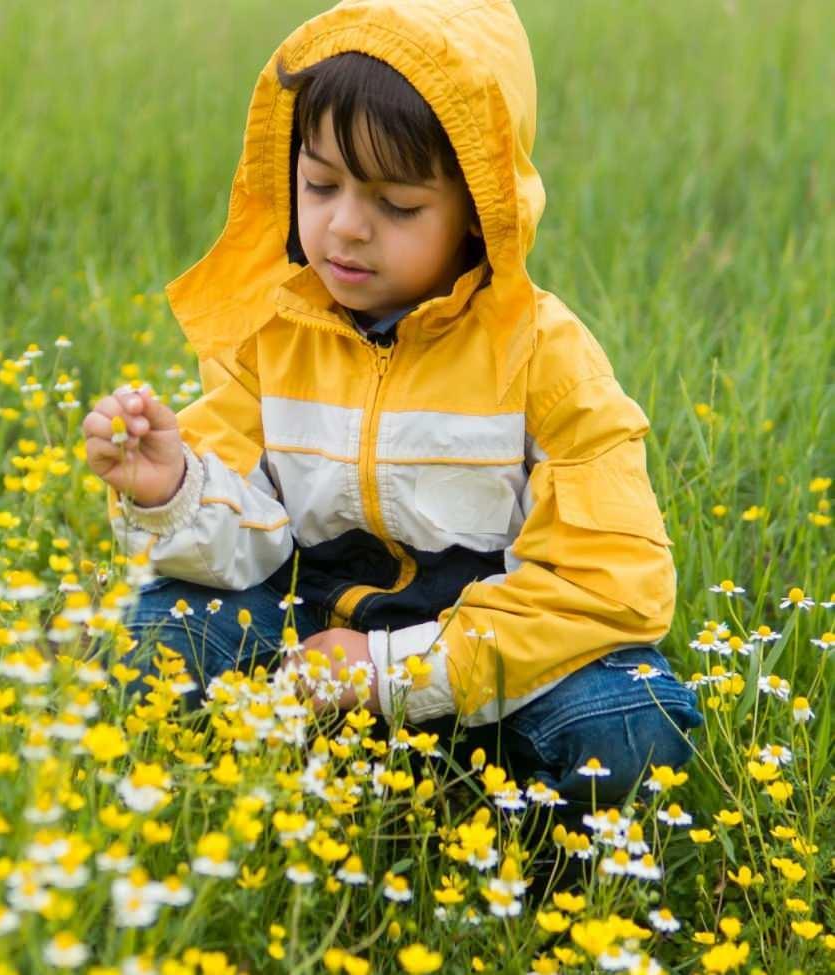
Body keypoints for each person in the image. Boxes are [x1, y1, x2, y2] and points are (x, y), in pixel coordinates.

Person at [81, 0, 702, 824]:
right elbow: (247, 540)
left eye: (396, 205)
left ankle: (480, 780)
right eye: (320, 184)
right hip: (311, 636)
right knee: (150, 637)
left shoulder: (545, 359)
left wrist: (389, 673)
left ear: (479, 211)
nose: (344, 226)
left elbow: (602, 583)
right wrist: (174, 489)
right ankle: (318, 756)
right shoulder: (274, 333)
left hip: (492, 654)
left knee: (627, 729)